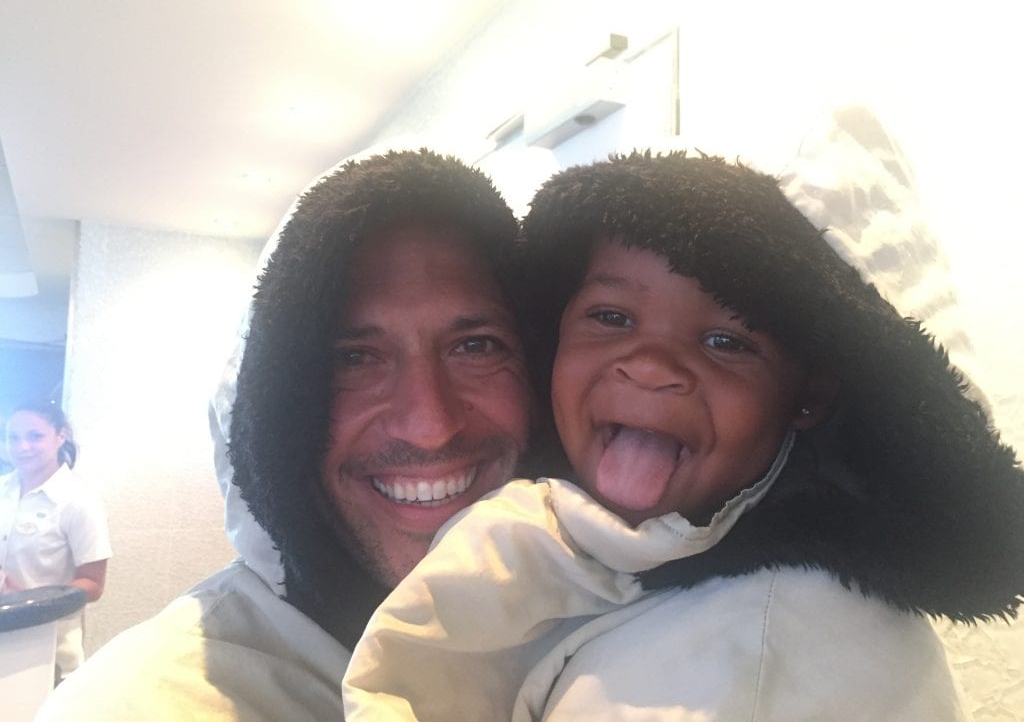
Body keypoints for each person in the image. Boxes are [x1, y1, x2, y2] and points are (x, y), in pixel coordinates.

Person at [342, 152, 1024, 721]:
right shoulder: (578, 540)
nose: (652, 365)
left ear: (808, 396)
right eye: (611, 315)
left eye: (727, 340)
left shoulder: (765, 648)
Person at [37, 149, 542, 720]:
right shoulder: (149, 703)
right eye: (354, 358)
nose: (429, 425)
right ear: (272, 411)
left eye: (475, 346)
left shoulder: (605, 638)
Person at [1, 400, 112, 681]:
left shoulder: (79, 501)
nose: (22, 447)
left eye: (35, 436)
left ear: (60, 435)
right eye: (14, 437)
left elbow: (93, 585)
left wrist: (27, 601)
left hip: (49, 652)